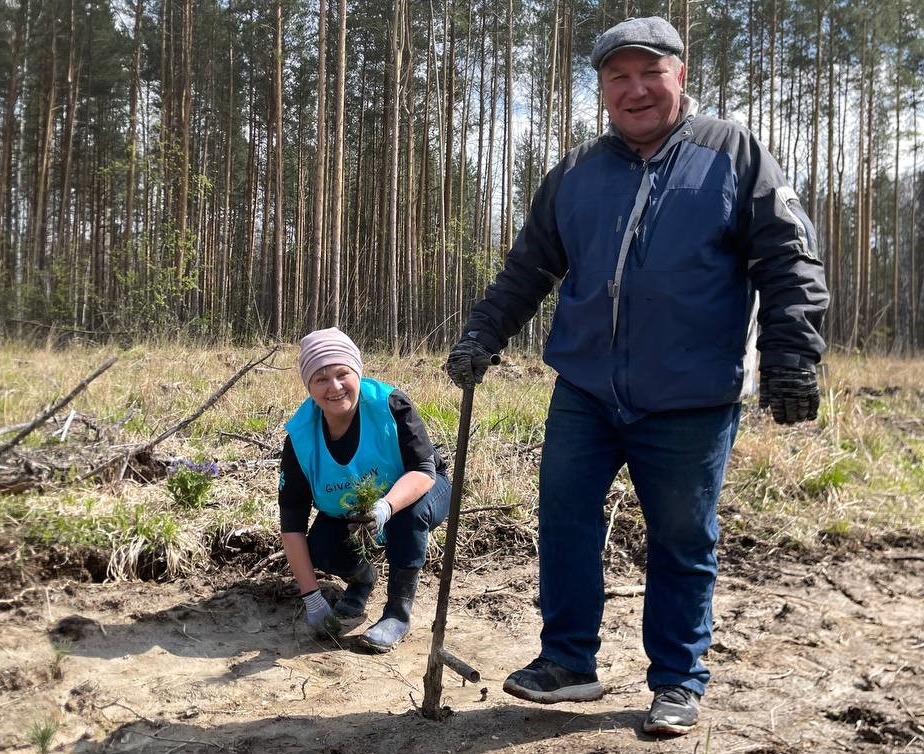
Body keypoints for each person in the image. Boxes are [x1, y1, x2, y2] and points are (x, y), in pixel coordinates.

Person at [445, 16, 829, 736]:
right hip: (586, 390)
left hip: (690, 395)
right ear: (602, 89)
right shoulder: (577, 172)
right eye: (618, 76)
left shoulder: (733, 154)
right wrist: (483, 333)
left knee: (682, 537)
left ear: (680, 75)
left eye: (650, 72)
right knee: (564, 519)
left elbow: (788, 260)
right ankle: (568, 661)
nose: (636, 89)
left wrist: (791, 354)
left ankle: (677, 680)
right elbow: (529, 268)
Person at [279, 327, 450, 652]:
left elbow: (423, 471)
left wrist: (385, 506)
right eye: (321, 379)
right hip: (351, 512)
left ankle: (397, 614)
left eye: (342, 374)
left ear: (357, 373)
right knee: (322, 545)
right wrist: (312, 597)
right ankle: (361, 580)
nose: (334, 387)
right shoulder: (300, 438)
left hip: (422, 491)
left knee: (409, 513)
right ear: (308, 387)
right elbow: (292, 524)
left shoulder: (391, 405)